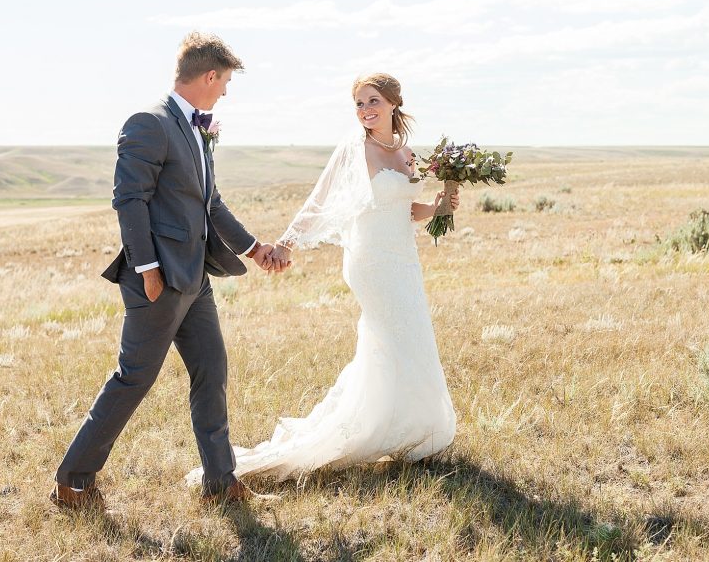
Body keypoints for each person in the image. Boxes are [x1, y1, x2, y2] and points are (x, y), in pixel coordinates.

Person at [185, 72, 458, 485]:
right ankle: (373, 428)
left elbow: (406, 209)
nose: (366, 111)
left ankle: (413, 426)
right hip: (371, 263)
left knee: (411, 335)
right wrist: (286, 244)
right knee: (391, 336)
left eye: (373, 102)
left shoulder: (405, 151)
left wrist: (437, 208)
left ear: (393, 103)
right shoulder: (355, 148)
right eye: (360, 104)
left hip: (404, 259)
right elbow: (320, 198)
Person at [51, 32, 286, 510]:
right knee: (134, 378)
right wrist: (148, 269)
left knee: (212, 371)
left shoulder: (198, 131)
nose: (225, 93)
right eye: (225, 83)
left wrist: (254, 248)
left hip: (195, 279)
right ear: (209, 76)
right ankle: (73, 482)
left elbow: (209, 203)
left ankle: (221, 484)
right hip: (158, 281)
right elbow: (128, 200)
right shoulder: (150, 123)